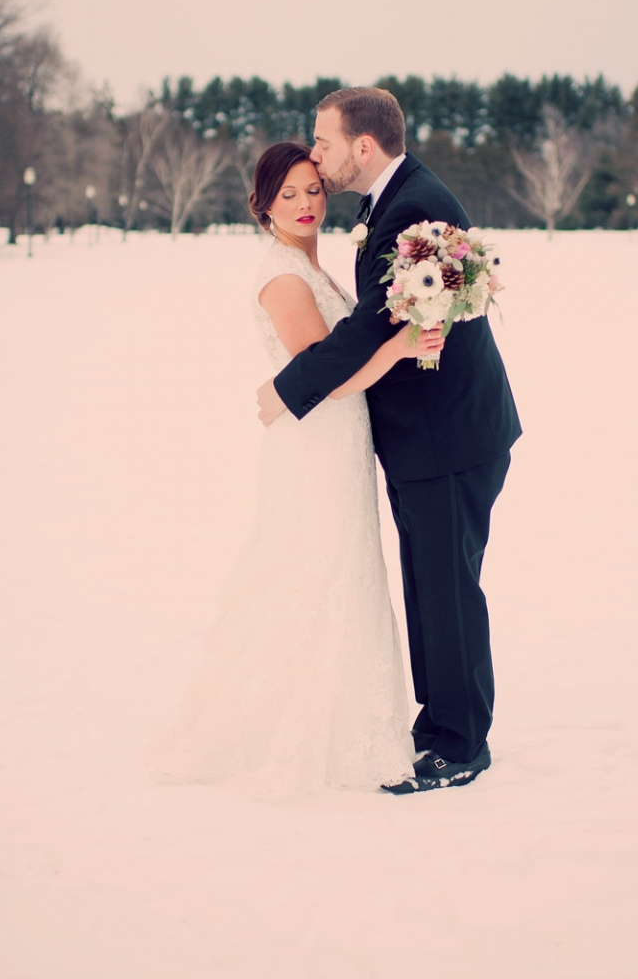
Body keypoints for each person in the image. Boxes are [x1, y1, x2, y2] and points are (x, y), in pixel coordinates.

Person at [155, 141, 444, 798]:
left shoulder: (312, 266)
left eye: (313, 189)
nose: (305, 204)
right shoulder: (284, 277)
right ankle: (289, 729)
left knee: (340, 569)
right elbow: (328, 378)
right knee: (313, 572)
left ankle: (346, 718)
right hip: (315, 447)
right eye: (287, 194)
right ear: (263, 205)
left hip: (339, 443)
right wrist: (401, 347)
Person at [257, 89, 522, 794]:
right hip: (425, 437)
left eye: (324, 142)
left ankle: (461, 742)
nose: (317, 155)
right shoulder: (396, 199)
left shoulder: (410, 206)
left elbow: (371, 328)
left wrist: (286, 389)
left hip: (448, 436)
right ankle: (438, 725)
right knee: (430, 583)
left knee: (447, 587)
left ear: (363, 146)